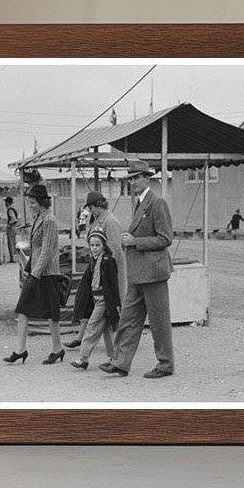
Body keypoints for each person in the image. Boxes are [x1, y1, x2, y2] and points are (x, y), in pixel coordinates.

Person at [102, 159, 174, 379]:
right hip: (138, 273)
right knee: (128, 318)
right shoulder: (140, 203)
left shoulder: (157, 202)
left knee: (159, 321)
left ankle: (166, 364)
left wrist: (136, 242)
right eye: (130, 179)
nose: (132, 182)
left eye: (136, 178)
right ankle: (121, 362)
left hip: (153, 272)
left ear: (146, 178)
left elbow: (166, 238)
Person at [4, 184, 64, 366]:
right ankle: (20, 350)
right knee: (22, 309)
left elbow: (47, 251)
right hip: (37, 271)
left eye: (32, 202)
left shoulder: (49, 220)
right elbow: (38, 249)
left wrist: (34, 275)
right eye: (29, 202)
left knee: (51, 313)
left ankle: (57, 348)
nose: (30, 205)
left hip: (47, 273)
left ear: (41, 202)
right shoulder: (39, 217)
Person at [72, 190, 127, 355]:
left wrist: (105, 269)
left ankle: (121, 340)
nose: (90, 211)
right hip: (98, 268)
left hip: (109, 270)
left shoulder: (110, 221)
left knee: (114, 304)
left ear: (97, 206)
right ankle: (85, 337)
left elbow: (115, 249)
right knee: (93, 301)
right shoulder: (98, 220)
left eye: (91, 207)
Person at [69, 229, 121, 370]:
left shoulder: (108, 261)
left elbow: (113, 284)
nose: (94, 248)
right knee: (106, 329)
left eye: (97, 245)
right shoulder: (93, 261)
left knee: (91, 326)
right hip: (96, 299)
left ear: (104, 245)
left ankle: (83, 358)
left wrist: (116, 303)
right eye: (92, 245)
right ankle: (114, 357)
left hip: (104, 300)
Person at [4, 196, 20, 263]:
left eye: (5, 202)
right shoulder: (13, 209)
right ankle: (14, 258)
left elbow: (13, 219)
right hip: (15, 228)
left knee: (11, 243)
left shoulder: (10, 210)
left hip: (12, 228)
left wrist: (9, 225)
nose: (5, 204)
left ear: (7, 203)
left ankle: (13, 258)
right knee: (13, 243)